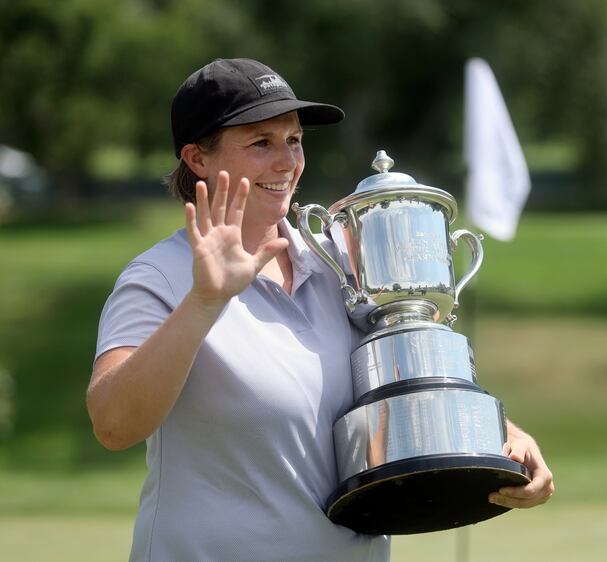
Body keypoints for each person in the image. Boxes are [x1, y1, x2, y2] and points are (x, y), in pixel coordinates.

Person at [87, 57, 553, 562]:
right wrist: (205, 301)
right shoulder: (160, 277)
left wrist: (503, 438)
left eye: (293, 140)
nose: (287, 162)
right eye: (261, 143)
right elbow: (114, 424)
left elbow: (411, 380)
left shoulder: (342, 258)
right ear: (198, 159)